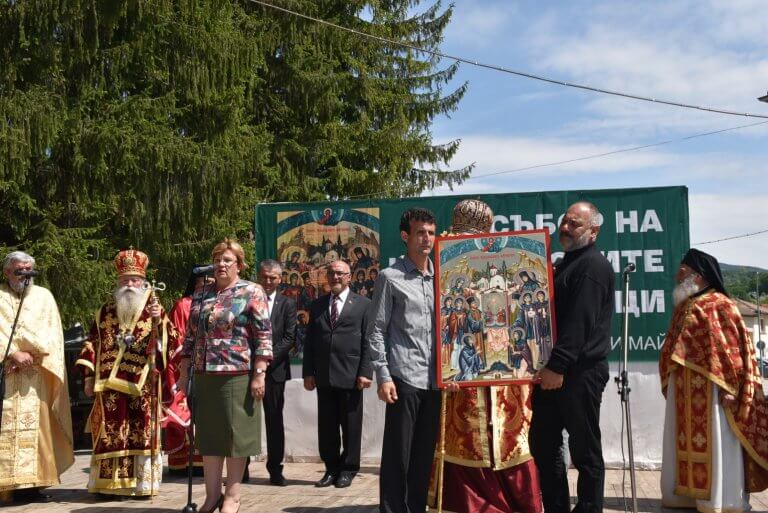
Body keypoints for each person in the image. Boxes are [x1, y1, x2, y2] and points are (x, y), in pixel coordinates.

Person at [429, 199, 542, 513]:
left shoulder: (500, 267)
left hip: (503, 363)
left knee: (507, 427)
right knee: (468, 426)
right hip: (467, 365)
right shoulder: (442, 259)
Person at [660, 249, 768, 512]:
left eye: (682, 271)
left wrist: (735, 387)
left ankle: (722, 500)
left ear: (698, 276)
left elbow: (734, 350)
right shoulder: (684, 306)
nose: (677, 276)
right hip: (683, 391)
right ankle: (684, 496)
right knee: (681, 442)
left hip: (714, 392)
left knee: (718, 443)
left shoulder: (721, 304)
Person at [529, 201, 614, 513]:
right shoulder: (567, 264)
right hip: (554, 372)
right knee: (544, 444)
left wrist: (557, 366)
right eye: (563, 222)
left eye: (574, 224)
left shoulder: (592, 266)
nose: (564, 228)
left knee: (585, 450)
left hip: (578, 373)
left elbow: (579, 323)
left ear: (593, 231)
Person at [177, 239, 272, 513]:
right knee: (209, 438)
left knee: (236, 437)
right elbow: (191, 336)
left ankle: (232, 496)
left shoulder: (251, 291)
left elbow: (264, 335)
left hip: (237, 373)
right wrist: (184, 373)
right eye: (217, 259)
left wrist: (260, 374)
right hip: (205, 374)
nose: (220, 264)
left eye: (227, 260)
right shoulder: (203, 292)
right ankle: (211, 496)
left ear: (239, 265)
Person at [76, 248, 177, 497]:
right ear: (118, 282)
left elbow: (171, 340)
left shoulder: (154, 307)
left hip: (142, 382)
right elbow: (91, 343)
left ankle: (139, 485)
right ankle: (107, 485)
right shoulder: (105, 311)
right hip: (108, 385)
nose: (129, 284)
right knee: (110, 433)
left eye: (134, 280)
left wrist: (159, 322)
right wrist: (88, 376)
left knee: (139, 432)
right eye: (124, 280)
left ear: (143, 282)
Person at [368, 207, 442, 513]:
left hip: (436, 380)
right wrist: (383, 376)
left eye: (431, 232)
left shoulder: (444, 277)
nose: (426, 239)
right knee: (399, 454)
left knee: (424, 455)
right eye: (420, 233)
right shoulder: (390, 277)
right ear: (405, 236)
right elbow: (375, 330)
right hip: (404, 377)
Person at [0, 251, 74, 503]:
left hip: (35, 375)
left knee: (37, 430)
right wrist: (10, 353)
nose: (26, 276)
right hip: (6, 375)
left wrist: (31, 355)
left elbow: (53, 334)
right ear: (7, 272)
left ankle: (33, 485)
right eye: (20, 271)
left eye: (30, 270)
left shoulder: (44, 297)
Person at [303, 260, 372, 488]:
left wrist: (365, 372)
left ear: (349, 277)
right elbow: (310, 342)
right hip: (324, 376)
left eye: (340, 274)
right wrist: (308, 373)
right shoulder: (318, 305)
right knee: (327, 427)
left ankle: (348, 469)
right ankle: (331, 469)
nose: (335, 277)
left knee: (351, 426)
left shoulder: (363, 305)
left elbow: (368, 341)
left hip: (352, 376)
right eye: (331, 273)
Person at [166, 265, 212, 476]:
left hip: (211, 366)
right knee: (184, 411)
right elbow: (175, 338)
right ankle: (181, 461)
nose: (208, 283)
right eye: (204, 281)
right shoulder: (182, 305)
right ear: (196, 283)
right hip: (187, 365)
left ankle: (206, 461)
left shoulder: (217, 302)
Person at [258, 259, 297, 486]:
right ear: (258, 277)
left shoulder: (287, 304)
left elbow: (289, 338)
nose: (268, 281)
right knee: (245, 422)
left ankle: (275, 470)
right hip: (248, 370)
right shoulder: (247, 301)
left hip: (274, 372)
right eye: (264, 277)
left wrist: (266, 359)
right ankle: (240, 470)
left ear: (280, 279)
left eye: (273, 277)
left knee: (274, 421)